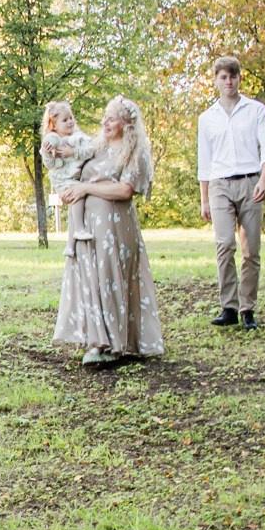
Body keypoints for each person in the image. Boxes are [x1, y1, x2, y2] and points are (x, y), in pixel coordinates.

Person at [53, 95, 165, 365]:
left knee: (109, 276)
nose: (105, 121)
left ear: (126, 124)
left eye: (112, 118)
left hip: (115, 226)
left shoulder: (133, 152)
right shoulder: (96, 147)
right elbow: (70, 165)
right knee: (91, 278)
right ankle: (95, 342)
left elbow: (125, 191)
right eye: (105, 116)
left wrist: (86, 188)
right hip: (88, 225)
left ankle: (115, 344)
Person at [195, 56, 265, 330]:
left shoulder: (255, 110)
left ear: (239, 78)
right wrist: (204, 198)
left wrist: (263, 181)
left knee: (251, 249)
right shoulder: (207, 118)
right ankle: (228, 306)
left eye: (233, 76)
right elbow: (204, 162)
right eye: (223, 77)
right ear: (216, 80)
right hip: (219, 184)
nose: (229, 81)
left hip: (250, 181)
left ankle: (247, 308)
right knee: (224, 245)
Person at [39, 100, 95, 250]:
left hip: (75, 178)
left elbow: (91, 150)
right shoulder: (52, 141)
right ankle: (80, 229)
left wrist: (73, 152)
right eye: (65, 120)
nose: (70, 122)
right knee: (78, 196)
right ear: (54, 125)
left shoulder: (78, 137)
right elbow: (49, 165)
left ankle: (70, 246)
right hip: (62, 181)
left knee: (73, 209)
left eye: (71, 118)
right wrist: (47, 153)